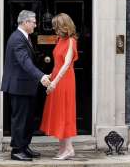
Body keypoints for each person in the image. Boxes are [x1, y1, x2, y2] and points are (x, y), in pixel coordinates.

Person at [1, 10, 51, 161]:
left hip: (26, 86)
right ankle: (16, 150)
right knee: (20, 119)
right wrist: (41, 76)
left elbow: (29, 60)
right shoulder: (17, 38)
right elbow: (24, 62)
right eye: (33, 22)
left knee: (28, 119)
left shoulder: (26, 37)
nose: (36, 24)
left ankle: (24, 146)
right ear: (24, 22)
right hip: (18, 87)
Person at [40, 13, 78, 160]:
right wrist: (51, 75)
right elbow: (57, 63)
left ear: (64, 26)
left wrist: (55, 82)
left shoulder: (71, 41)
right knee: (58, 111)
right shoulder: (59, 40)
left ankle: (69, 148)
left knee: (65, 111)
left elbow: (67, 64)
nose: (54, 29)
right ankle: (63, 147)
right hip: (56, 77)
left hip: (65, 80)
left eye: (56, 26)